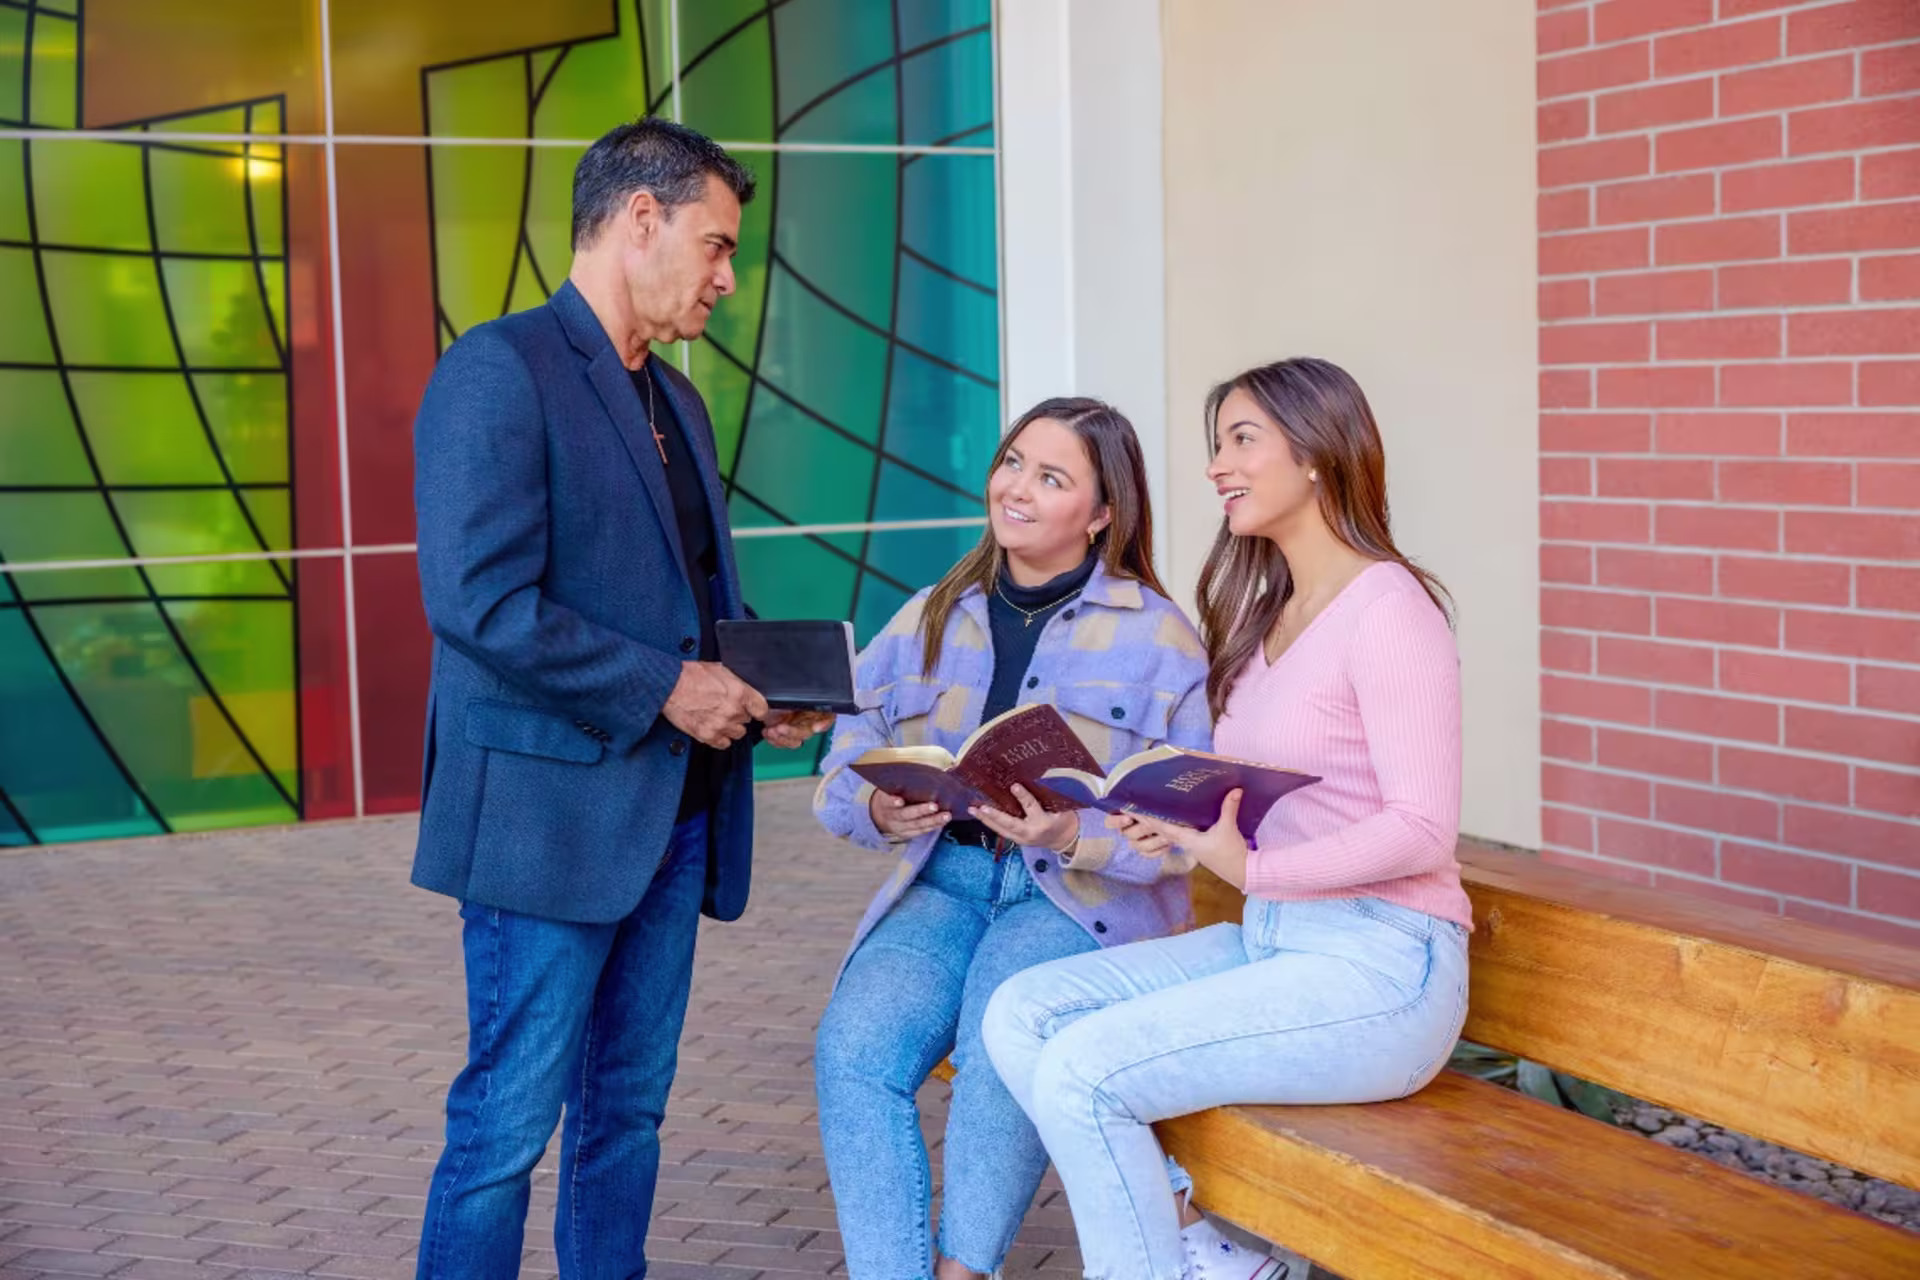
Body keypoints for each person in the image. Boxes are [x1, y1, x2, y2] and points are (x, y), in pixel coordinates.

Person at [408, 117, 829, 1280]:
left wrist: (752, 691)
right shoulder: (498, 369)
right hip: (548, 825)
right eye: (716, 244)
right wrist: (668, 688)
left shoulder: (678, 402)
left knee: (628, 1116)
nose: (727, 277)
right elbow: (478, 602)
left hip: (673, 813)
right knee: (504, 1127)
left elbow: (683, 602)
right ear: (639, 219)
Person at [982, 357, 1472, 1280]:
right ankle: (1198, 1246)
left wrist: (1252, 871)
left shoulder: (1391, 611)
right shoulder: (1269, 611)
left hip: (1384, 966)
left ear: (1320, 453)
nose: (1216, 465)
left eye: (1241, 439)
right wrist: (1169, 824)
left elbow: (1421, 827)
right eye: (1217, 445)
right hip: (1279, 941)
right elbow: (1266, 807)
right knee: (1021, 1013)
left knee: (1084, 1072)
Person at [810, 399, 1212, 1280]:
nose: (1017, 489)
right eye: (1013, 463)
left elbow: (1192, 822)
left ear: (1103, 514)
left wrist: (1076, 832)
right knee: (854, 1053)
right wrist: (875, 810)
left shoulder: (1161, 638)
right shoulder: (929, 613)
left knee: (1001, 1043)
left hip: (1074, 899)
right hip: (945, 880)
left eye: (1052, 477)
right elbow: (847, 751)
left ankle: (965, 1272)